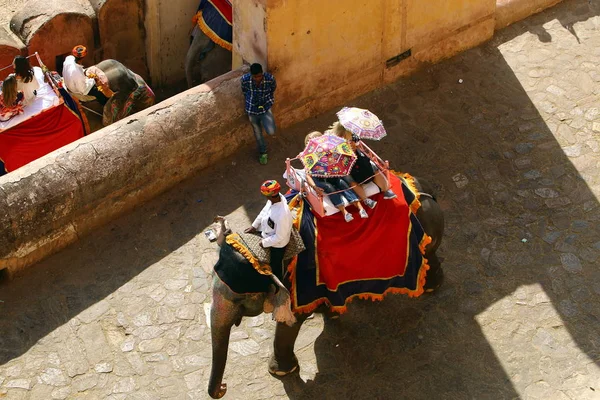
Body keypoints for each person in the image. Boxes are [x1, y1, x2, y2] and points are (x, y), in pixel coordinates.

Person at [303, 131, 370, 222]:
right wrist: (315, 187)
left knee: (342, 183)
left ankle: (361, 208)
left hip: (330, 174)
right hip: (318, 178)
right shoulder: (309, 157)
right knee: (329, 187)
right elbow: (308, 176)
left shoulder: (330, 150)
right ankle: (344, 212)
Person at [327, 121, 397, 200]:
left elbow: (357, 147)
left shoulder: (352, 136)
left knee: (372, 166)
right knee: (349, 179)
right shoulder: (332, 141)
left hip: (357, 158)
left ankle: (387, 190)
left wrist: (355, 145)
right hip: (343, 163)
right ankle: (366, 199)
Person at [245, 180, 293, 280]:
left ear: (269, 196)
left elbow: (280, 236)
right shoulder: (273, 199)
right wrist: (254, 226)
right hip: (267, 233)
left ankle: (278, 283)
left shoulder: (282, 214)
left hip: (277, 244)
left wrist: (264, 243)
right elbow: (264, 212)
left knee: (275, 265)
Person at [241, 63, 277, 165]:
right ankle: (263, 152)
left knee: (271, 131)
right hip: (252, 110)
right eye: (255, 77)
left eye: (259, 76)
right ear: (251, 75)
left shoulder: (270, 79)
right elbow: (244, 91)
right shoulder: (245, 79)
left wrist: (267, 100)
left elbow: (273, 88)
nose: (258, 79)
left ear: (262, 73)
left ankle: (264, 123)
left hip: (265, 108)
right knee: (257, 133)